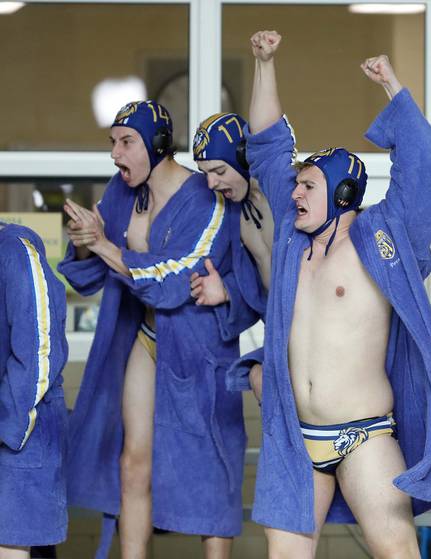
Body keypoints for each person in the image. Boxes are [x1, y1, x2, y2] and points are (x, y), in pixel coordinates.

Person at [239, 29, 431, 558]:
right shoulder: (291, 230)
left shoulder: (380, 236)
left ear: (342, 194)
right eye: (296, 184)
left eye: (308, 185)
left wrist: (393, 87)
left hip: (365, 434)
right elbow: (266, 143)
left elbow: (425, 166)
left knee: (397, 550)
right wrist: (264, 63)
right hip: (295, 435)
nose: (294, 193)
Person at [58, 101, 245, 559]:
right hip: (145, 337)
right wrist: (86, 244)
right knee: (133, 461)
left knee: (211, 468)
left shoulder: (208, 198)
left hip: (200, 349)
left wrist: (102, 244)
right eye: (112, 143)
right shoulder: (122, 191)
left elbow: (173, 278)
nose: (115, 154)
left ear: (158, 145)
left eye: (126, 142)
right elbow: (85, 275)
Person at [190, 112, 273, 399]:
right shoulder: (234, 213)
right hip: (282, 336)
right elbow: (261, 287)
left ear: (244, 158)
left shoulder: (293, 198)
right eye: (205, 174)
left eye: (219, 171)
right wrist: (227, 290)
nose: (211, 183)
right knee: (256, 376)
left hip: (324, 329)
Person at [0, 221, 68, 559]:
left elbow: (40, 350)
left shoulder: (15, 251)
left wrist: (8, 425)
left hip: (22, 429)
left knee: (12, 542)